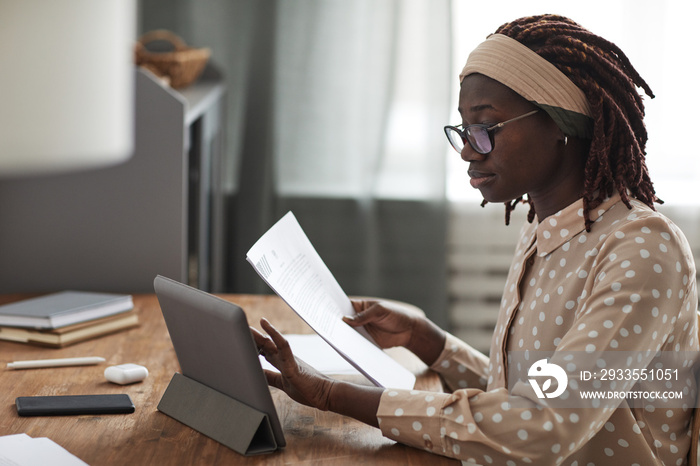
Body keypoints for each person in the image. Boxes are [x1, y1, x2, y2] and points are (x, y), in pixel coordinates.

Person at [251, 14, 699, 465]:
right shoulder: (542, 232)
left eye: (485, 127)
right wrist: (428, 341)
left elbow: (544, 421)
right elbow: (529, 392)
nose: (468, 149)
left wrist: (333, 395)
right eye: (464, 130)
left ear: (560, 122)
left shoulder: (642, 249)